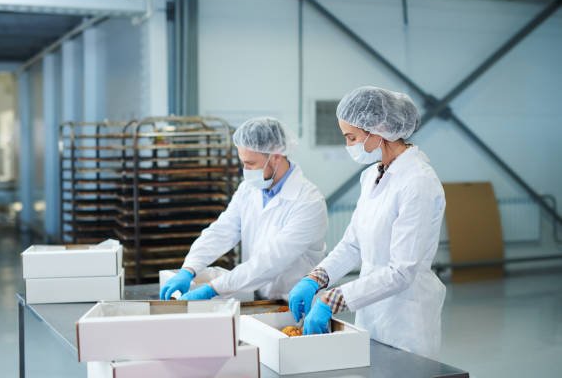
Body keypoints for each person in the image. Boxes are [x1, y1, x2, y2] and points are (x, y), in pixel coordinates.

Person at [288, 86, 446, 359]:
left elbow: (401, 272)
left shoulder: (418, 181)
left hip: (406, 319)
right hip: (370, 311)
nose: (349, 145)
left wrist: (332, 300)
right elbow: (352, 243)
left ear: (378, 131)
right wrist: (316, 278)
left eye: (351, 137)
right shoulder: (371, 175)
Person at [160, 117, 327, 302]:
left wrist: (213, 288)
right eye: (243, 163)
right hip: (258, 297)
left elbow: (271, 260)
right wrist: (189, 268)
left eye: (251, 164)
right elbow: (223, 230)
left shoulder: (309, 202)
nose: (245, 170)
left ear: (276, 156)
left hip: (296, 302)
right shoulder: (249, 189)